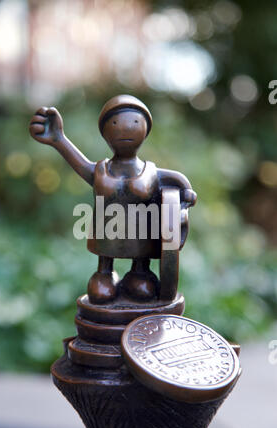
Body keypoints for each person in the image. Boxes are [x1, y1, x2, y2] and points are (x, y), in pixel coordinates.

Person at [29, 95, 196, 304]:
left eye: (135, 122)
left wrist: (186, 194)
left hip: (141, 234)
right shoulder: (100, 169)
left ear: (145, 130)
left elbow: (177, 180)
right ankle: (105, 273)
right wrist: (58, 139)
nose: (125, 128)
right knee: (100, 292)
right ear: (105, 132)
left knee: (142, 290)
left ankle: (140, 272)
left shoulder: (151, 172)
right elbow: (79, 162)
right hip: (107, 234)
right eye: (115, 123)